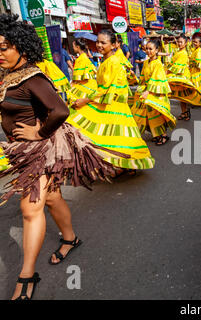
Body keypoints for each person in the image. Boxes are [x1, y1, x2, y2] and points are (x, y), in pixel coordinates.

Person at [0, 14, 124, 300]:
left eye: (6, 46)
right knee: (52, 198)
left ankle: (27, 276)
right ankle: (70, 239)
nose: (1, 52)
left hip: (39, 152)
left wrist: (39, 134)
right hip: (21, 152)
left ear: (21, 46)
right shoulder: (8, 76)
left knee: (31, 209)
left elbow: (60, 111)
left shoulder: (33, 78)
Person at [67, 29, 155, 172]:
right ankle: (123, 166)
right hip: (109, 102)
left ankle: (123, 166)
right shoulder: (106, 61)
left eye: (103, 42)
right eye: (98, 42)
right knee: (115, 138)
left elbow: (106, 89)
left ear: (113, 45)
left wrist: (85, 100)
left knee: (114, 139)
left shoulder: (112, 62)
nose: (99, 45)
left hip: (113, 105)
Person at [131, 38, 175, 145]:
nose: (148, 51)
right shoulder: (146, 62)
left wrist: (148, 92)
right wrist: (134, 78)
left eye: (151, 49)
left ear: (156, 50)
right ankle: (156, 134)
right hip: (148, 93)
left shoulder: (158, 64)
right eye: (147, 49)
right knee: (149, 116)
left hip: (156, 94)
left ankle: (164, 136)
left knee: (158, 116)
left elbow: (158, 81)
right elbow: (142, 79)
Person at [166, 34, 201, 121]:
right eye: (178, 42)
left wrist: (167, 72)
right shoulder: (178, 51)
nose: (179, 44)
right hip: (180, 75)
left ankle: (186, 112)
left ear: (186, 43)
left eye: (181, 42)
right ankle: (185, 112)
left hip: (182, 76)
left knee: (183, 96)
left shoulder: (183, 53)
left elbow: (176, 66)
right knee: (181, 97)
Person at [66, 38, 97, 107]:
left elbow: (77, 78)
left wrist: (69, 86)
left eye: (73, 46)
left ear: (78, 47)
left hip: (84, 87)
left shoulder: (80, 59)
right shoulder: (85, 58)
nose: (72, 48)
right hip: (91, 86)